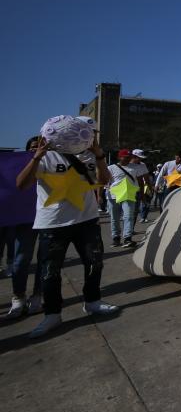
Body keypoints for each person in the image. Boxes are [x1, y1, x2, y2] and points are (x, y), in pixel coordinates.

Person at [16, 133, 119, 338]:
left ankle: (92, 301)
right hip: (53, 223)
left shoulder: (90, 157)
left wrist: (99, 155)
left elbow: (104, 181)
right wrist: (37, 157)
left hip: (87, 220)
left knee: (94, 263)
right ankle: (52, 314)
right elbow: (22, 184)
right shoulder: (46, 157)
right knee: (50, 271)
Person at [4, 136, 44, 318]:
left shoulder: (52, 164)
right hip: (24, 219)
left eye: (40, 147)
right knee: (21, 259)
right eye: (33, 147)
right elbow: (20, 184)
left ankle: (38, 296)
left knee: (45, 260)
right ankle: (18, 297)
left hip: (48, 218)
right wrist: (35, 159)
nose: (36, 149)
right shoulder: (22, 163)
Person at [106, 149, 141, 247]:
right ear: (119, 157)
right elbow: (105, 182)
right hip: (113, 196)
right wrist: (99, 195)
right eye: (125, 157)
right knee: (114, 218)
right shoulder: (111, 168)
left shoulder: (135, 167)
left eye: (129, 157)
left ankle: (127, 238)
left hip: (128, 195)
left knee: (128, 216)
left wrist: (141, 194)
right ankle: (116, 238)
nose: (127, 158)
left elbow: (140, 181)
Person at [130, 149, 154, 224]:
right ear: (133, 156)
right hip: (126, 191)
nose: (140, 159)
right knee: (127, 213)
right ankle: (126, 230)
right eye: (139, 157)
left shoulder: (142, 165)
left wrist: (150, 188)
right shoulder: (126, 164)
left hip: (137, 191)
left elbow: (146, 178)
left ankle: (130, 230)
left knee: (134, 212)